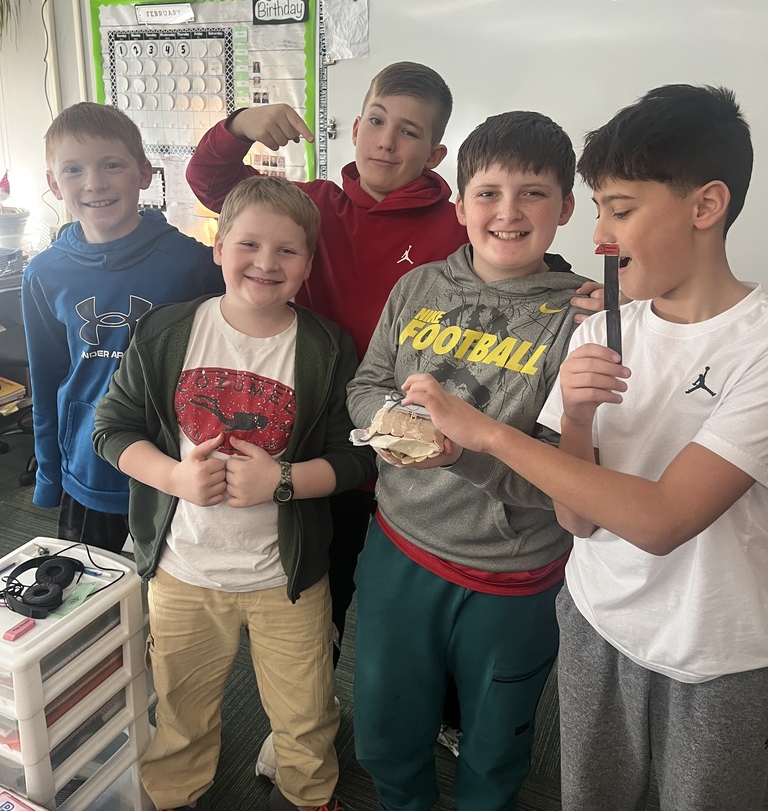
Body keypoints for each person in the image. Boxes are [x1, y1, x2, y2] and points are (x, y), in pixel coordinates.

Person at [398, 85, 768, 811]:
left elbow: (663, 520)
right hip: (597, 621)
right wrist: (572, 415)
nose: (600, 233)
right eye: (597, 207)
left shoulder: (757, 342)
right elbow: (578, 517)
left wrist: (491, 433)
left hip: (718, 651)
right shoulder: (601, 327)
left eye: (621, 209)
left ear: (706, 206)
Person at [187, 63, 598, 716]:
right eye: (376, 121)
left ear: (436, 154)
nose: (385, 141)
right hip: (312, 434)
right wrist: (240, 126)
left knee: (423, 608)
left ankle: (446, 715)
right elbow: (212, 186)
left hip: (418, 464)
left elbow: (514, 259)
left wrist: (575, 290)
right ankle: (311, 713)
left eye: (408, 132)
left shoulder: (457, 217)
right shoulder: (315, 204)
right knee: (319, 594)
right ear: (355, 127)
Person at [93, 176, 376, 811]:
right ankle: (173, 799)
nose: (267, 263)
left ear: (309, 263)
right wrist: (175, 477)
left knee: (307, 711)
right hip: (182, 571)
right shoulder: (167, 331)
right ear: (219, 246)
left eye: (288, 251)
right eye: (249, 243)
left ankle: (306, 799)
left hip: (287, 578)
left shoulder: (327, 347)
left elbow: (357, 457)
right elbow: (112, 431)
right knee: (181, 704)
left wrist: (281, 481)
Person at [346, 110, 588, 811]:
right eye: (487, 193)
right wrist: (393, 424)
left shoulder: (583, 317)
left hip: (512, 574)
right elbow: (368, 382)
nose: (507, 212)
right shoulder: (418, 287)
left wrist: (465, 456)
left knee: (496, 740)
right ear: (459, 205)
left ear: (566, 208)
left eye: (533, 194)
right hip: (399, 549)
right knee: (386, 724)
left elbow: (562, 472)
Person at [22, 102, 223, 552]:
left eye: (111, 165)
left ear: (144, 172)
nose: (94, 183)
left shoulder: (192, 264)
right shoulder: (44, 274)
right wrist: (50, 474)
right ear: (53, 184)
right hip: (89, 467)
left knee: (174, 604)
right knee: (93, 597)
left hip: (176, 461)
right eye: (73, 170)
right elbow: (48, 379)